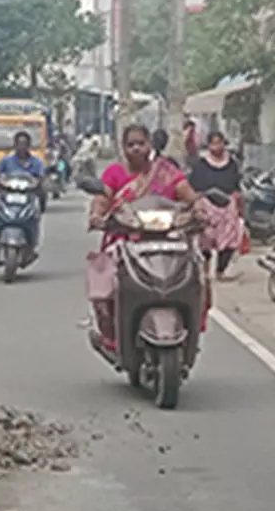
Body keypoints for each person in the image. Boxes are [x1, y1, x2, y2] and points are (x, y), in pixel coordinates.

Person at [87, 124, 204, 349]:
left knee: (197, 274)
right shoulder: (115, 173)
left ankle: (192, 327)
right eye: (131, 145)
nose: (136, 149)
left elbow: (188, 194)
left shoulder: (166, 171)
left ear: (149, 145)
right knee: (103, 283)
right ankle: (110, 335)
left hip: (167, 240)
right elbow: (102, 198)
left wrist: (199, 209)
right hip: (124, 239)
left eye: (141, 143)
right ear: (123, 148)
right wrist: (97, 215)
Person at [189, 131, 245, 281]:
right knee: (205, 241)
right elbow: (194, 188)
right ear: (208, 146)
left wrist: (239, 207)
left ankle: (221, 271)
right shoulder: (200, 165)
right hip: (207, 206)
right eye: (213, 143)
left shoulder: (232, 164)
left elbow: (236, 186)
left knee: (230, 241)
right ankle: (205, 272)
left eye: (219, 143)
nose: (217, 146)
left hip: (228, 208)